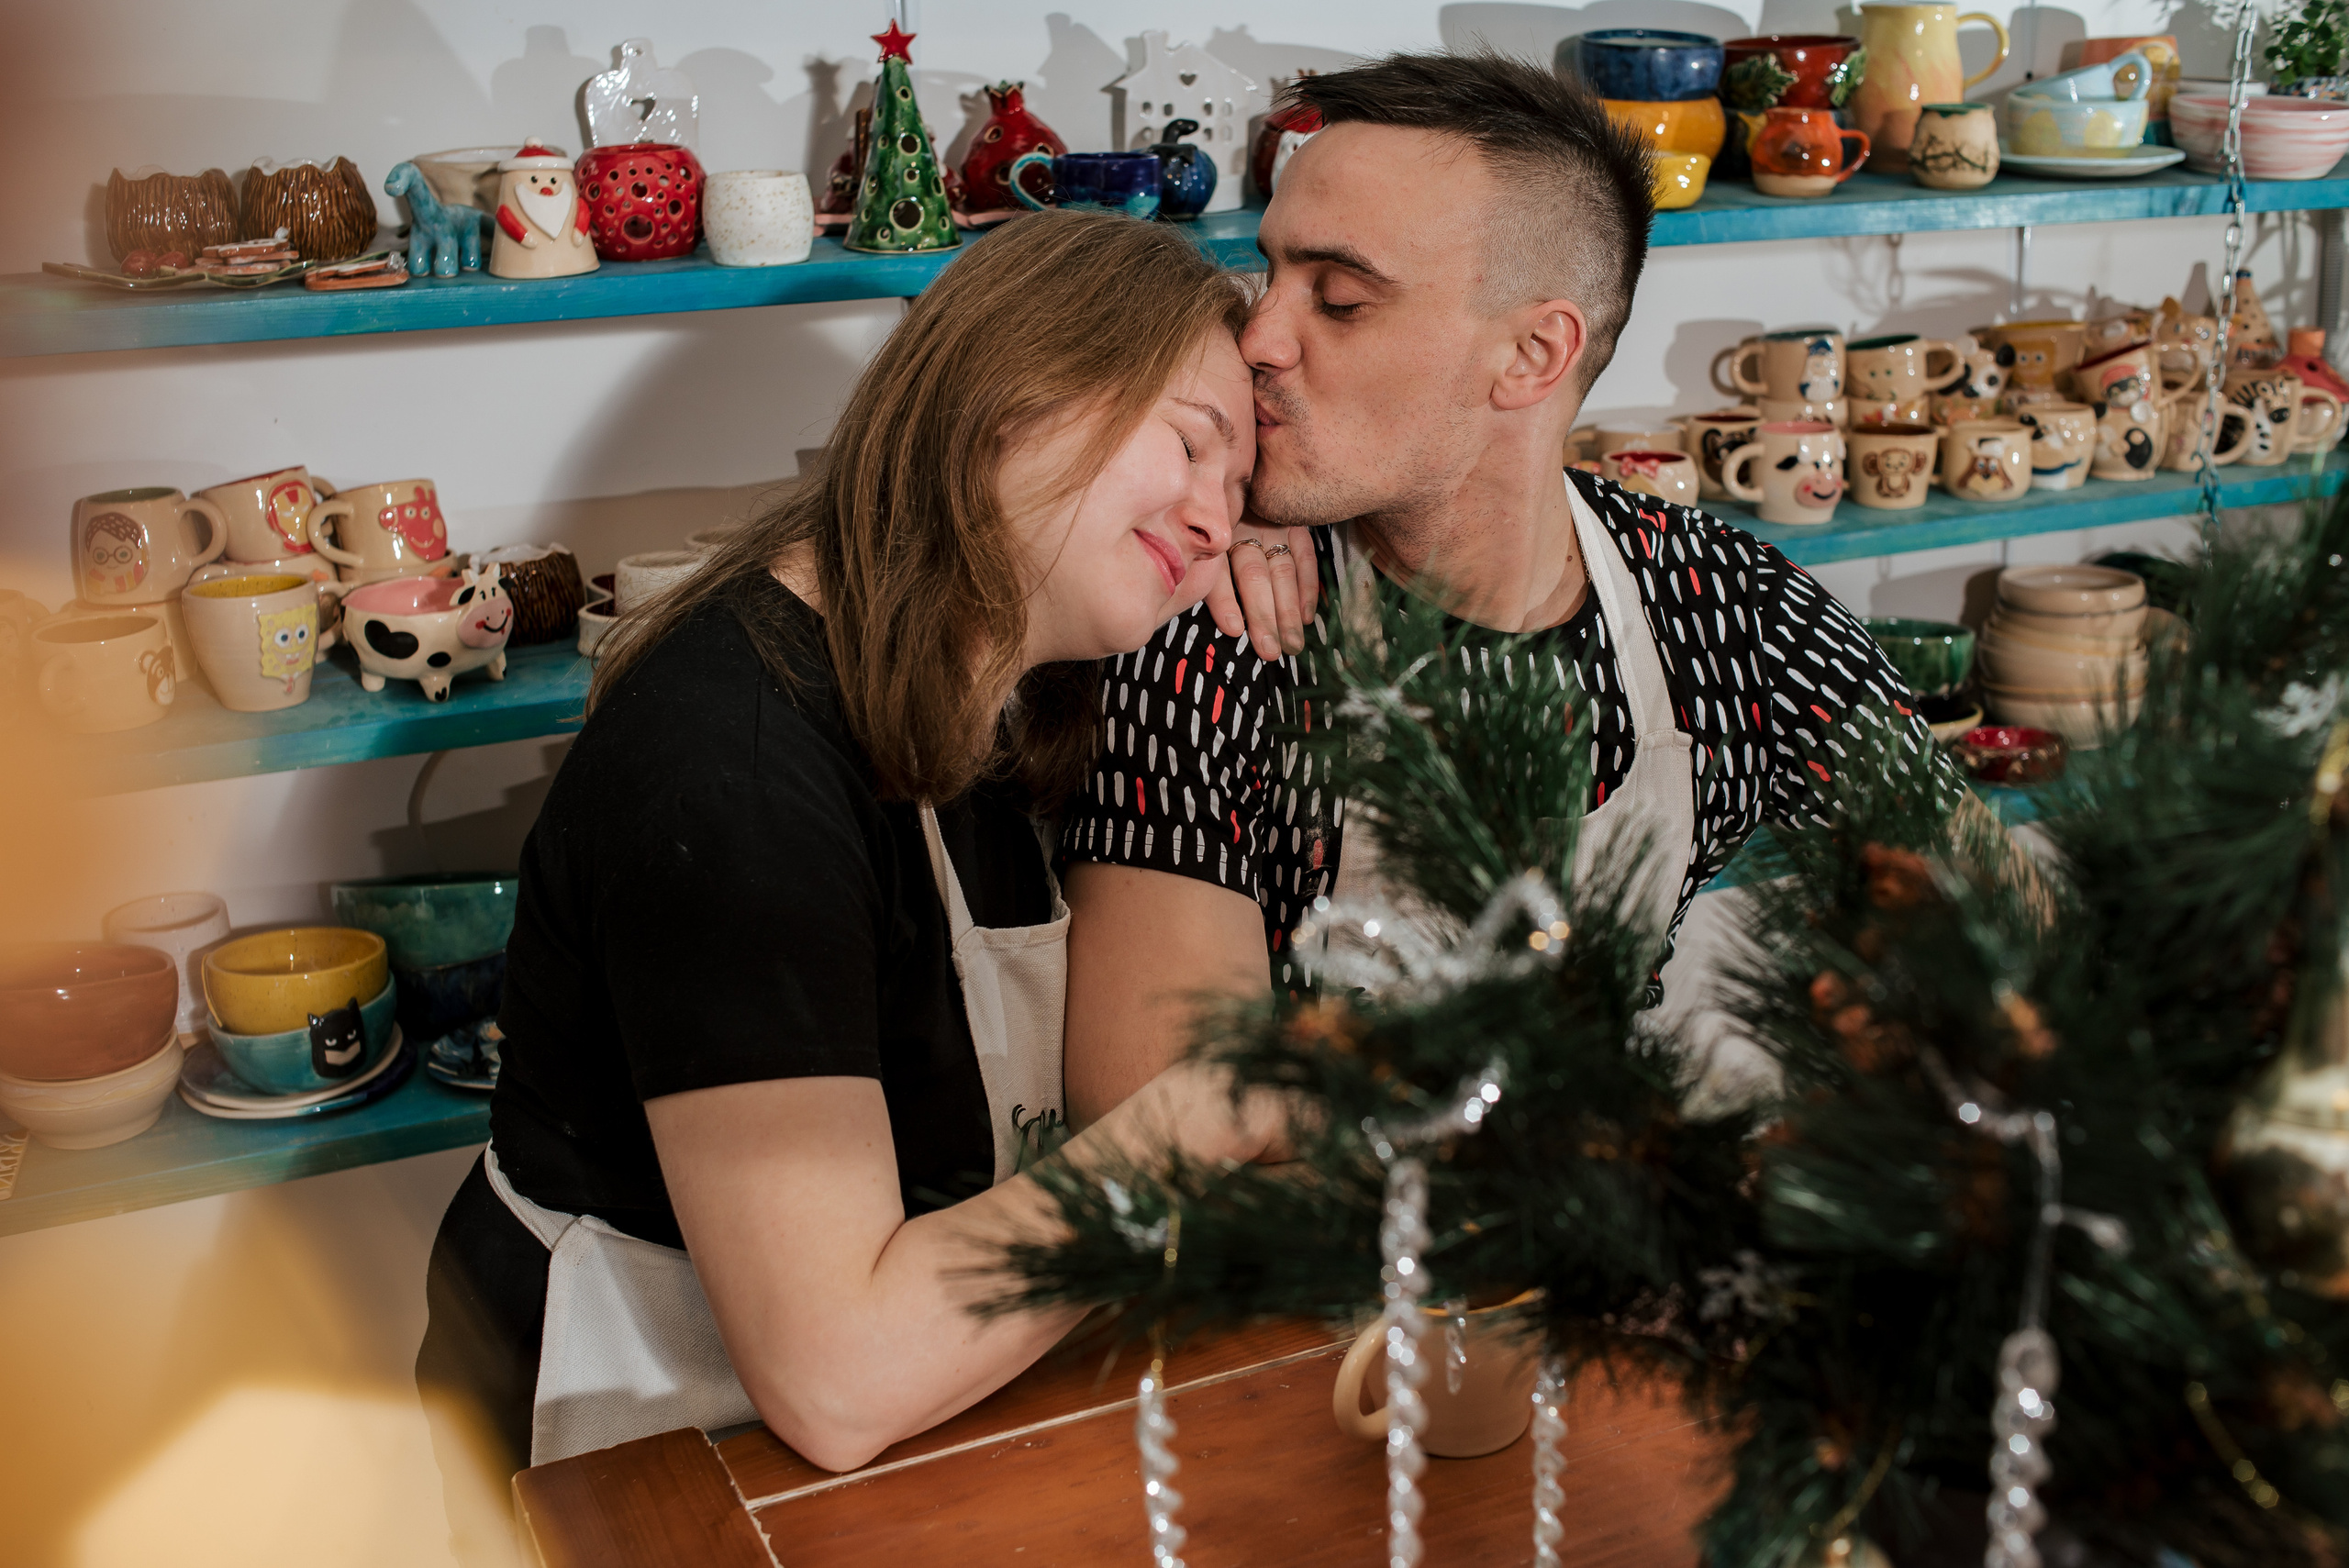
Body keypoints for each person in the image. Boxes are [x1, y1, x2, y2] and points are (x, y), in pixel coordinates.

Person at [414, 210, 1297, 1507]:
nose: (1220, 521)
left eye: (1245, 492)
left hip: (889, 1429)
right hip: (640, 1465)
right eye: (1192, 445)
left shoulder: (989, 688)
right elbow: (833, 1378)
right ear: (1016, 393)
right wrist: (1213, 1108)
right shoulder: (735, 768)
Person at [1060, 51, 1977, 1125]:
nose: (1258, 337)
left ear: (1534, 353)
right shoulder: (1217, 624)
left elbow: (2004, 933)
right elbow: (1154, 1134)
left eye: (1340, 299)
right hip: (1313, 1279)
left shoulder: (1724, 607)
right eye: (1268, 275)